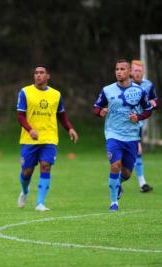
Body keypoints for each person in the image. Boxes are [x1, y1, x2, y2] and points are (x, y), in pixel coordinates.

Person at [16, 65, 78, 211]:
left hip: (49, 138)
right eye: (36, 73)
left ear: (48, 76)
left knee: (46, 166)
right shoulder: (25, 92)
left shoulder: (56, 95)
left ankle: (40, 203)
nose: (38, 75)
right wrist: (30, 129)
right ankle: (25, 191)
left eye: (41, 73)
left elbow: (61, 115)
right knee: (27, 172)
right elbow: (20, 116)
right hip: (29, 139)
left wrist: (70, 128)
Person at [93, 59, 152, 211]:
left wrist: (138, 118)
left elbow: (148, 110)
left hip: (131, 137)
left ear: (129, 72)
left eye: (122, 69)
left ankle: (119, 183)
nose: (119, 71)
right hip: (113, 135)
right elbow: (96, 108)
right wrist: (101, 112)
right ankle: (114, 203)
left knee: (126, 173)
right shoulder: (107, 90)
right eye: (117, 69)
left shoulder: (139, 91)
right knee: (115, 166)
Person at [130, 60, 159, 192]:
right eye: (135, 70)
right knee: (136, 151)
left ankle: (140, 183)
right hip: (127, 123)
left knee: (135, 152)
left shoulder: (148, 85)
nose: (137, 73)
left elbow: (155, 100)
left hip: (140, 123)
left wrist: (154, 104)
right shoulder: (126, 85)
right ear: (130, 72)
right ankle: (142, 183)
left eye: (139, 71)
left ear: (143, 72)